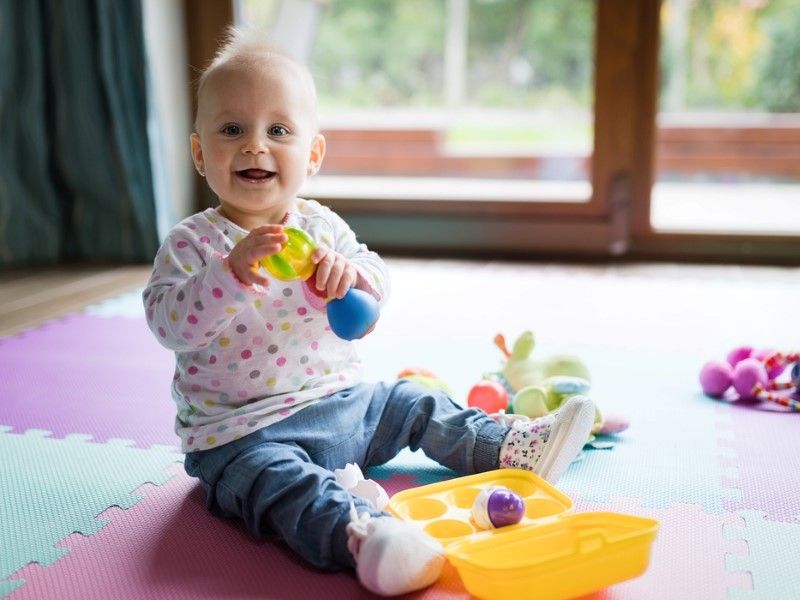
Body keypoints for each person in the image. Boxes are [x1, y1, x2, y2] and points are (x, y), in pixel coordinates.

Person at [143, 27, 595, 597]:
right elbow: (169, 325)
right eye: (233, 129)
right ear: (200, 151)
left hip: (346, 407)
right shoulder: (193, 245)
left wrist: (351, 277)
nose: (255, 145)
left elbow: (374, 279)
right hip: (243, 437)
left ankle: (508, 448)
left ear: (312, 155)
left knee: (412, 399)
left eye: (278, 130)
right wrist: (229, 275)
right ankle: (365, 537)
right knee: (280, 487)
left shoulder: (322, 227)